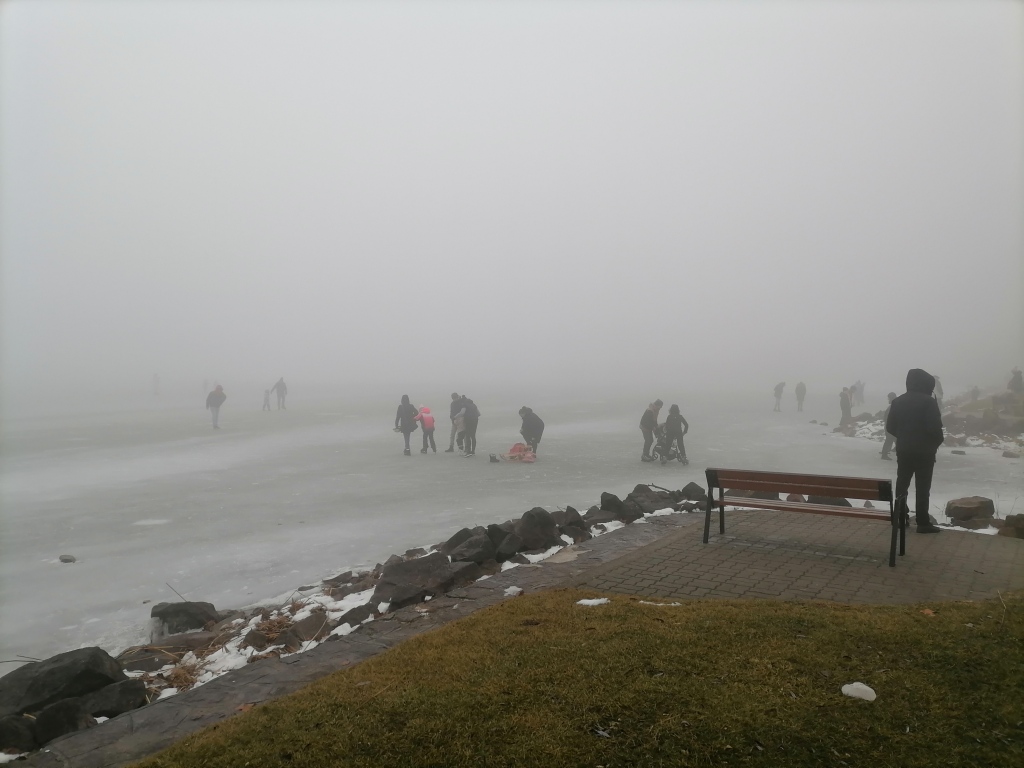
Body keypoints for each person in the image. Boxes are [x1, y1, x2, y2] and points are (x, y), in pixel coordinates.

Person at [886, 369, 945, 534]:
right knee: (923, 487)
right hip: (925, 452)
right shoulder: (929, 402)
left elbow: (890, 427)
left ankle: (900, 518)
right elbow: (935, 428)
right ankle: (923, 522)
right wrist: (934, 444)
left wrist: (903, 438)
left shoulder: (897, 401)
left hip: (904, 450)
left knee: (902, 484)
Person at [880, 391, 898, 460]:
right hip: (890, 426)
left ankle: (886, 452)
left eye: (889, 398)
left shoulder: (893, 405)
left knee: (892, 439)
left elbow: (886, 417)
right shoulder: (894, 405)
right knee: (890, 439)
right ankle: (884, 454)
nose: (888, 400)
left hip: (890, 425)